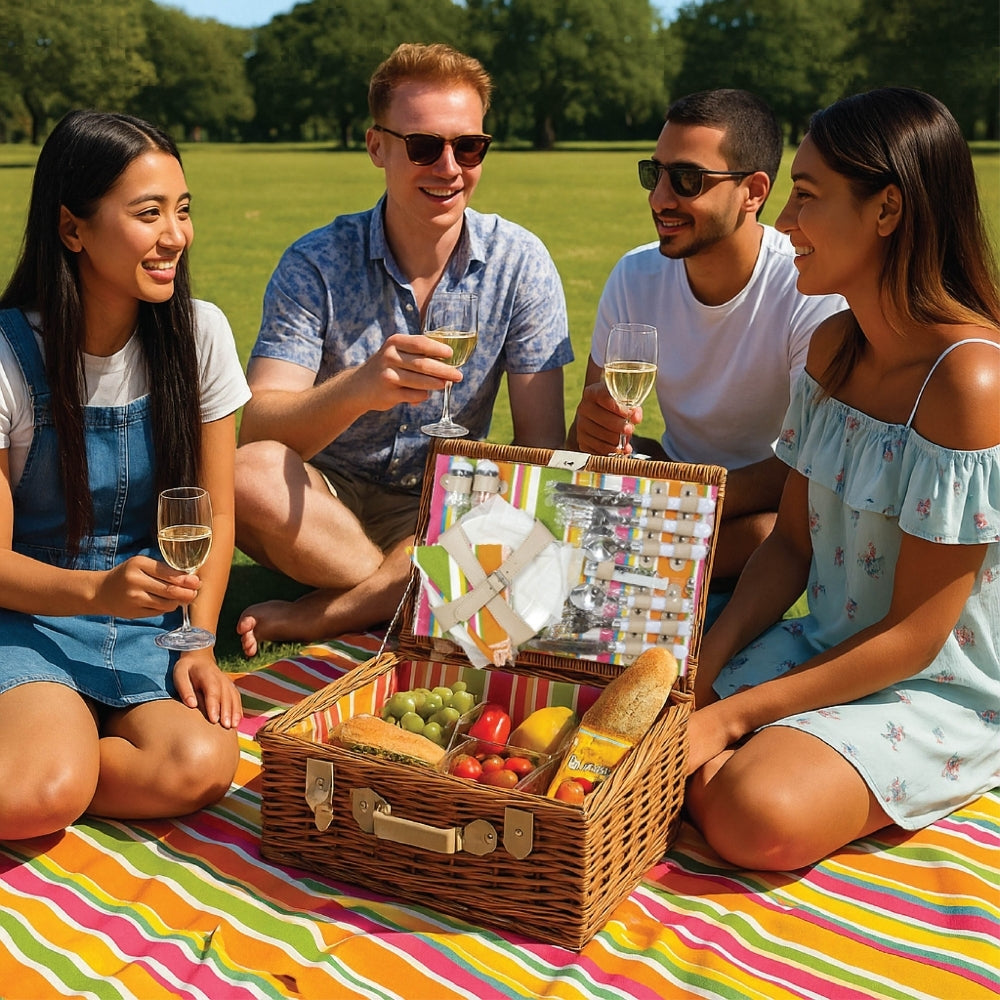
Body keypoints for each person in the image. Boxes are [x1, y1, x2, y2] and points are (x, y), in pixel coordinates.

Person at [686, 87, 1000, 872]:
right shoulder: (833, 348)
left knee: (752, 813)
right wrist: (706, 669)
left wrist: (730, 722)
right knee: (638, 732)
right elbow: (790, 546)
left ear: (887, 210)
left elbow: (916, 636)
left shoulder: (969, 384)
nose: (784, 222)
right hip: (824, 646)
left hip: (931, 688)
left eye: (807, 195)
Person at [234, 43, 573, 656]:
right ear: (376, 147)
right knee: (246, 475)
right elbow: (258, 426)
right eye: (423, 146)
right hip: (325, 505)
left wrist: (481, 521)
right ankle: (406, 583)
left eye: (468, 146)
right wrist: (361, 388)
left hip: (447, 498)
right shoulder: (316, 261)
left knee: (514, 514)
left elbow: (539, 450)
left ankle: (332, 612)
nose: (449, 167)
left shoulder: (521, 262)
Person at [0, 111, 251, 841]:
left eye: (182, 210)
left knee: (203, 763)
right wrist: (95, 591)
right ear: (73, 229)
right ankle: (52, 759)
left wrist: (198, 639)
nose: (176, 235)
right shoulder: (10, 356)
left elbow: (217, 516)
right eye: (149, 214)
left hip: (146, 627)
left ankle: (58, 752)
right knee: (40, 793)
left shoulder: (198, 333)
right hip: (29, 616)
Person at [568, 89, 845, 598]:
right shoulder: (635, 275)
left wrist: (673, 501)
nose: (659, 198)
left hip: (754, 517)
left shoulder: (806, 286)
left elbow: (810, 466)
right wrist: (593, 432)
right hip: (681, 500)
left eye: (687, 180)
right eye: (655, 175)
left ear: (753, 192)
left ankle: (638, 562)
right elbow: (589, 443)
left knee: (768, 533)